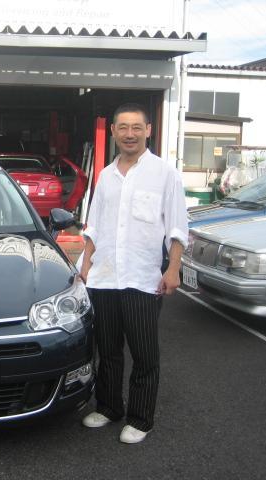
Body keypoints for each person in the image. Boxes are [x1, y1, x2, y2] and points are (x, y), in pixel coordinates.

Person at [79, 103, 188, 444]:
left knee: (144, 354)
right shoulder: (106, 176)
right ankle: (109, 407)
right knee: (108, 351)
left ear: (148, 131)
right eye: (123, 127)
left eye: (136, 127)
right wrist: (85, 264)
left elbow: (177, 226)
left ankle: (141, 419)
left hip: (143, 278)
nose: (130, 134)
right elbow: (94, 225)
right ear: (113, 132)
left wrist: (173, 268)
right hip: (105, 277)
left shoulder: (164, 174)